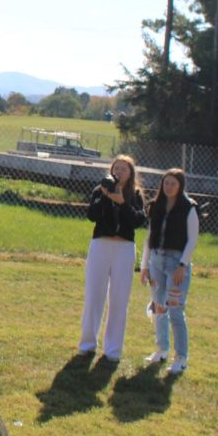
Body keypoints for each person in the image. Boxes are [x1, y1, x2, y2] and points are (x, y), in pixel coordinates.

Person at [77, 154, 146, 361]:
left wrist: (122, 202)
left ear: (130, 173)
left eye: (124, 169)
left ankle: (113, 351)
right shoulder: (100, 190)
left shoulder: (135, 194)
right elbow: (92, 215)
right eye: (116, 168)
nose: (119, 172)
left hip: (124, 248)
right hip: (101, 245)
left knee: (119, 300)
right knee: (94, 296)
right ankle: (87, 345)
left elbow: (137, 220)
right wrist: (105, 195)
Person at [140, 168, 199, 374]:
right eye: (166, 183)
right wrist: (144, 265)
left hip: (176, 264)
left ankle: (181, 357)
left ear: (180, 185)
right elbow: (150, 236)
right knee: (158, 307)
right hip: (156, 260)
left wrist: (183, 265)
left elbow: (192, 239)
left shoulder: (188, 207)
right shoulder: (157, 206)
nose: (169, 187)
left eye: (173, 183)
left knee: (175, 309)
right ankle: (161, 349)